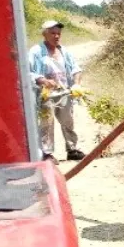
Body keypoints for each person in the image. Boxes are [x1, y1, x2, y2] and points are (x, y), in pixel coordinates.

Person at [29, 20, 86, 162]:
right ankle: (47, 154)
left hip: (64, 92)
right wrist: (43, 81)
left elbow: (76, 69)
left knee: (68, 120)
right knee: (46, 123)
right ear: (44, 34)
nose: (56, 36)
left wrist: (77, 84)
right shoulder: (36, 52)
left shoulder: (63, 51)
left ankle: (72, 149)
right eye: (53, 33)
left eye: (58, 34)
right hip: (45, 95)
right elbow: (28, 72)